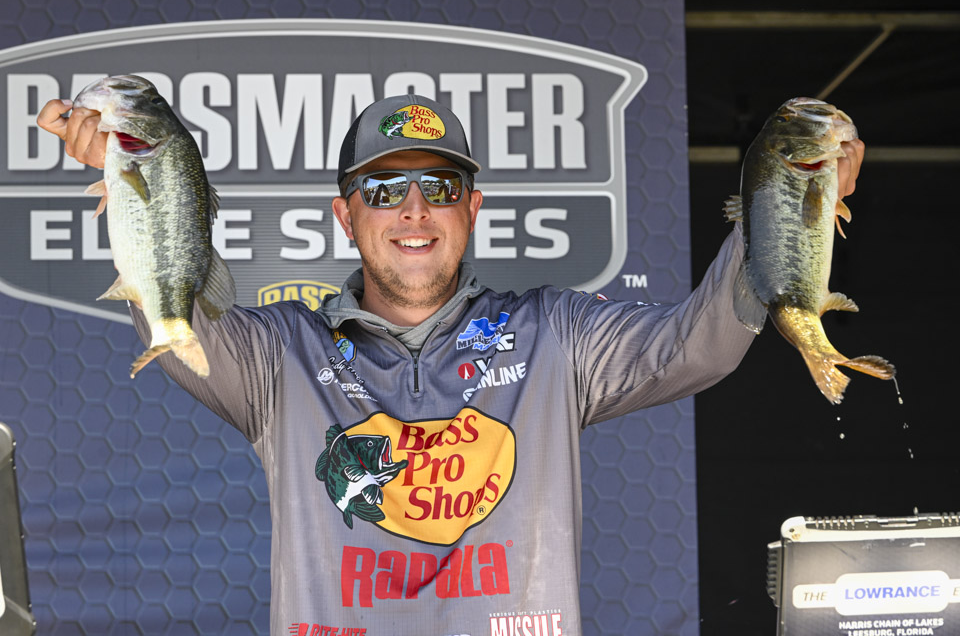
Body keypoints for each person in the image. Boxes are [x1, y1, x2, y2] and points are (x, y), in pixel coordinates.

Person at [38, 93, 863, 635]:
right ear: (345, 216)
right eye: (383, 190)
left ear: (472, 208)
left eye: (439, 187)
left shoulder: (554, 332)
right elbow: (179, 320)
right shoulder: (278, 355)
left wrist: (786, 204)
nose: (413, 211)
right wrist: (136, 174)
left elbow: (699, 344)